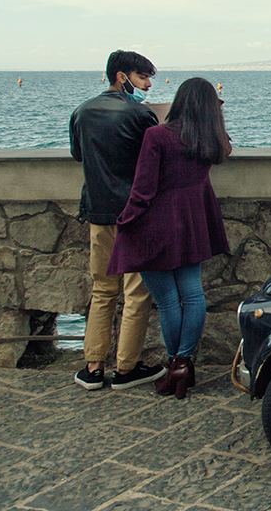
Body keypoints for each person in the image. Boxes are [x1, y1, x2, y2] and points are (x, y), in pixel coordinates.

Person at [107, 77, 232, 399]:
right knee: (192, 293)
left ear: (178, 102)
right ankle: (184, 363)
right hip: (193, 222)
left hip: (157, 223)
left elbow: (143, 188)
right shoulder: (211, 138)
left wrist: (126, 221)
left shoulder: (157, 136)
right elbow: (225, 146)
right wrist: (215, 114)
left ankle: (176, 364)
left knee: (166, 301)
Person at [69, 50, 167, 391]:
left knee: (103, 289)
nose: (149, 85)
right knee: (136, 292)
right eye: (143, 78)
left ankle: (93, 366)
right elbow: (154, 161)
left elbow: (78, 155)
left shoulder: (81, 112)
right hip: (134, 214)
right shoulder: (141, 115)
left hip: (98, 212)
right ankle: (126, 368)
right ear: (123, 76)